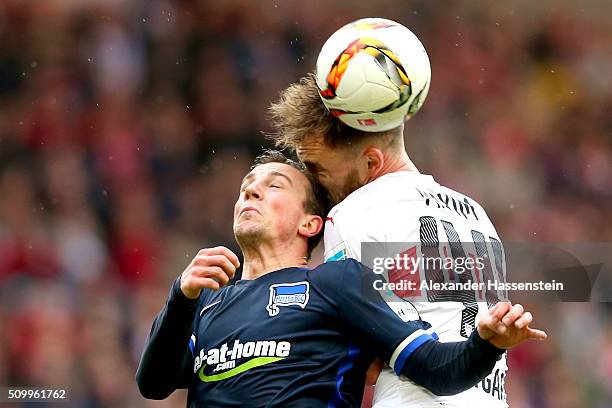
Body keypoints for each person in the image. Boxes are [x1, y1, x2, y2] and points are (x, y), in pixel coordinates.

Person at [136, 151, 545, 407]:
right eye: (246, 189)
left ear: (311, 222)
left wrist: (486, 344)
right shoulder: (209, 305)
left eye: (272, 185)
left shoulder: (336, 285)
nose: (250, 194)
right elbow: (154, 383)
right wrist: (181, 298)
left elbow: (434, 370)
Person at [268, 74, 527, 407]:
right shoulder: (476, 213)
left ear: (371, 162)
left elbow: (363, 347)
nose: (316, 184)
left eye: (318, 170)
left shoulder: (353, 212)